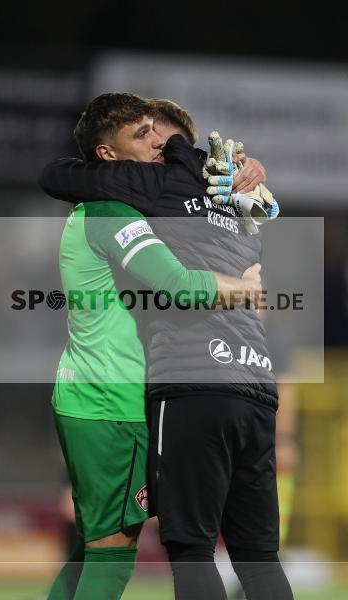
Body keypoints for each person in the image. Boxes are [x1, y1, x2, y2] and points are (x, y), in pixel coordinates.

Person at [40, 93, 293, 600]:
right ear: (108, 156)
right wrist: (245, 290)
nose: (159, 142)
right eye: (143, 134)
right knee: (114, 554)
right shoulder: (110, 210)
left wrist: (247, 172)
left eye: (158, 132)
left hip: (135, 395)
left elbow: (227, 205)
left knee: (100, 547)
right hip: (110, 399)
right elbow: (178, 283)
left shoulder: (146, 204)